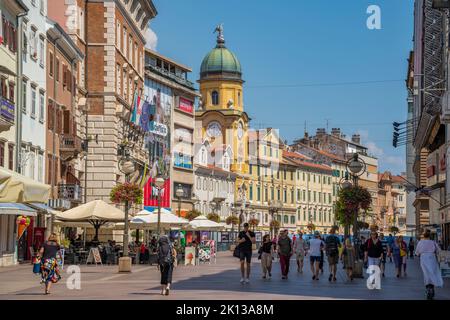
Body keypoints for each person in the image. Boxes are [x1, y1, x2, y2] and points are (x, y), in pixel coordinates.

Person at [415, 230, 444, 300]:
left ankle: (428, 288)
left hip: (424, 259)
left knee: (426, 274)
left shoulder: (420, 242)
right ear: (430, 236)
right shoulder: (433, 242)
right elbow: (439, 250)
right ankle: (431, 288)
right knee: (433, 273)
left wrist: (419, 254)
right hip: (432, 258)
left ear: (424, 236)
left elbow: (417, 253)